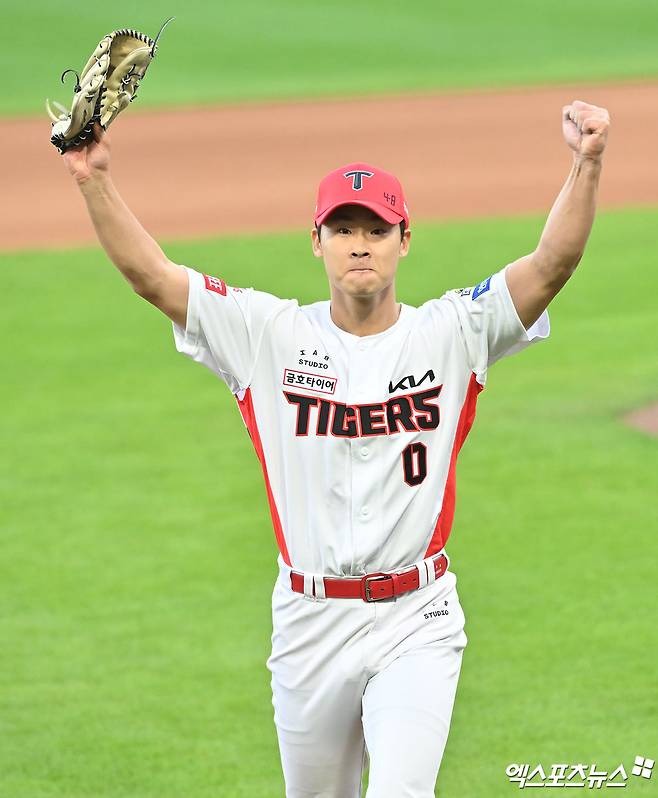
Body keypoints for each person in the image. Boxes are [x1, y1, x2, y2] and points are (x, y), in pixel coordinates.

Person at [61, 98, 610, 797]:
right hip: (308, 621)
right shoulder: (265, 334)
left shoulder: (452, 332)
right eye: (343, 228)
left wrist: (586, 163)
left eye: (376, 230)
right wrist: (92, 178)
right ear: (315, 241)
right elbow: (154, 277)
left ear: (404, 239)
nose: (360, 243)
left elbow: (551, 264)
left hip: (417, 617)